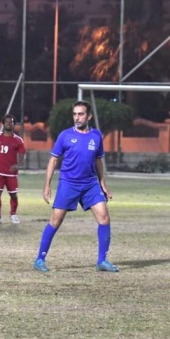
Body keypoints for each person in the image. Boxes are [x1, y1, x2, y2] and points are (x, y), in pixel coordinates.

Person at [33, 100, 119, 273]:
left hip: (90, 184)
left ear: (89, 116)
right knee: (56, 220)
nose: (77, 117)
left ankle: (102, 261)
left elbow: (98, 161)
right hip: (68, 183)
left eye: (80, 114)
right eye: (75, 114)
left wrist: (103, 184)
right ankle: (40, 259)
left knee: (104, 217)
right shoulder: (65, 135)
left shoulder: (96, 136)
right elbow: (54, 160)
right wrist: (47, 185)